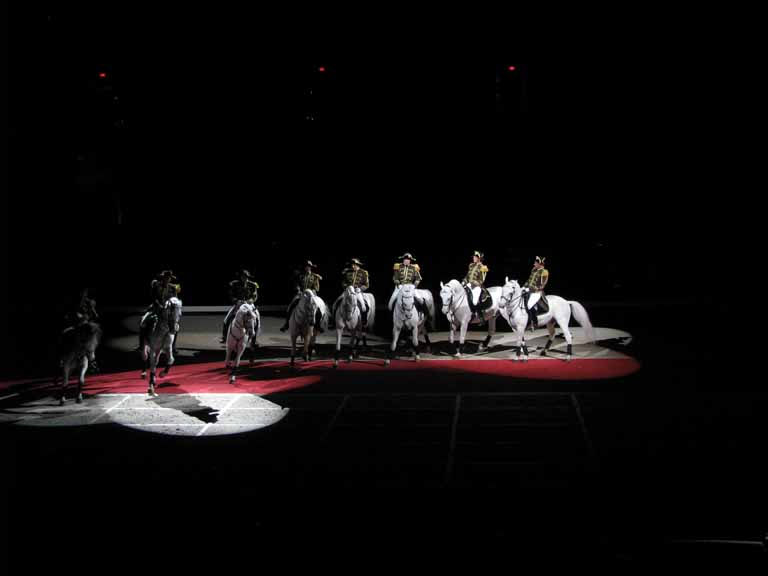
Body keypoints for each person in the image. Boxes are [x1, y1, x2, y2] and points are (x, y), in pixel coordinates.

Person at [138, 270, 180, 351]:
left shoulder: (173, 288)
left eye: (169, 278)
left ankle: (173, 346)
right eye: (166, 277)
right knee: (143, 322)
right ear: (163, 277)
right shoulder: (156, 286)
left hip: (167, 310)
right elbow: (154, 298)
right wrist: (159, 306)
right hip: (156, 308)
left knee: (175, 326)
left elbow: (175, 299)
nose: (167, 279)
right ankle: (142, 345)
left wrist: (171, 307)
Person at [280, 260, 323, 332]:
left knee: (318, 308)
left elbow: (317, 288)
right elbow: (297, 284)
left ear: (311, 267)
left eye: (309, 266)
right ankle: (286, 323)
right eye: (306, 266)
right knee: (292, 305)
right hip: (301, 294)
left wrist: (313, 290)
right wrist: (298, 290)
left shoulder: (314, 276)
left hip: (311, 295)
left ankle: (318, 325)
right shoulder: (300, 275)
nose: (307, 268)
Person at [388, 252, 429, 322]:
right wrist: (396, 281)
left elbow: (418, 278)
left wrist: (416, 283)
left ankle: (426, 314)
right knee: (391, 302)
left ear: (410, 260)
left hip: (411, 286)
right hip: (400, 286)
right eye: (405, 259)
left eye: (408, 259)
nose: (407, 260)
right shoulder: (398, 266)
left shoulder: (414, 267)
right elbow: (395, 277)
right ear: (403, 259)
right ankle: (392, 318)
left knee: (420, 299)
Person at [220, 268, 259, 343]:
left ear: (248, 277)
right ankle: (224, 336)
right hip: (239, 304)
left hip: (249, 304)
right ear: (240, 277)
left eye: (246, 277)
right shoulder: (234, 284)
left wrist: (251, 300)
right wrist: (236, 301)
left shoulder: (253, 285)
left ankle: (254, 339)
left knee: (257, 319)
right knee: (227, 319)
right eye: (243, 276)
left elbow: (255, 295)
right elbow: (231, 295)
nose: (244, 278)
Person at [333, 258, 370, 328]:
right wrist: (346, 287)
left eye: (354, 265)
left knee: (364, 306)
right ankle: (334, 321)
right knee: (336, 302)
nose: (353, 266)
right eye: (352, 265)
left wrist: (360, 289)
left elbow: (367, 285)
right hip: (348, 291)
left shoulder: (363, 272)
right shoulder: (347, 272)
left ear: (358, 265)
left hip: (357, 292)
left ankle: (363, 321)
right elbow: (343, 282)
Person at [522, 256, 549, 329]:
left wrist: (530, 289)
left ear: (540, 264)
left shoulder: (544, 272)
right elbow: (529, 280)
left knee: (529, 305)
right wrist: (524, 287)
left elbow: (542, 285)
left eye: (535, 263)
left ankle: (534, 322)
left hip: (537, 292)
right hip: (529, 290)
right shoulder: (534, 270)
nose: (534, 264)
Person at [462, 251, 490, 322]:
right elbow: (467, 276)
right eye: (473, 257)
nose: (473, 258)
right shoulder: (471, 265)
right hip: (469, 284)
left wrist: (475, 283)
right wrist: (463, 281)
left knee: (475, 301)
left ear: (479, 258)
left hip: (477, 286)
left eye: (475, 257)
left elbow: (483, 279)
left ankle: (480, 317)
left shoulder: (483, 267)